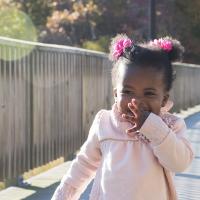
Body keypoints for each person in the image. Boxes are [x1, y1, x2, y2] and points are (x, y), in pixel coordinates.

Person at [51, 34, 194, 200]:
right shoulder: (105, 123)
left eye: (149, 93)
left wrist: (153, 127)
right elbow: (83, 166)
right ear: (115, 95)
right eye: (127, 92)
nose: (136, 101)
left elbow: (180, 163)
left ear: (163, 99)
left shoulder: (170, 126)